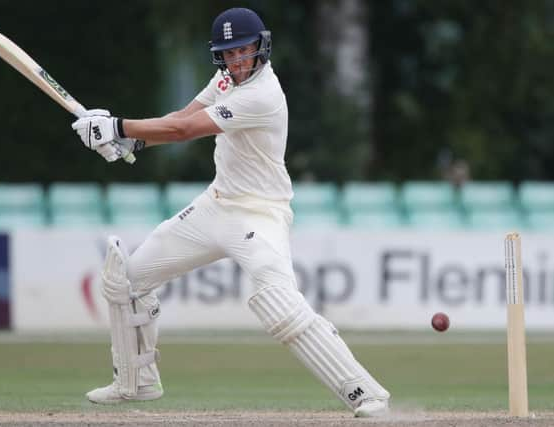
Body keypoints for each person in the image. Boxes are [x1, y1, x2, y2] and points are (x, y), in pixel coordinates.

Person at [71, 7, 390, 417]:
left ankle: (366, 393)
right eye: (229, 53)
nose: (238, 61)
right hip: (215, 205)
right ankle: (136, 382)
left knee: (276, 300)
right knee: (126, 281)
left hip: (260, 213)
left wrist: (118, 127)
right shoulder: (225, 77)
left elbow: (185, 132)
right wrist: (133, 141)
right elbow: (181, 118)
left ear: (261, 47)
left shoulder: (263, 94)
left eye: (245, 51)